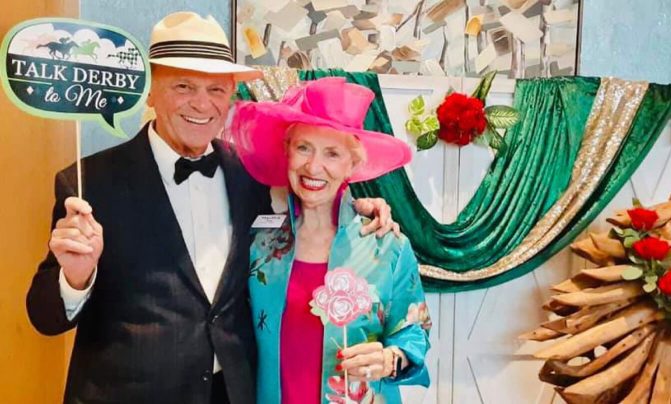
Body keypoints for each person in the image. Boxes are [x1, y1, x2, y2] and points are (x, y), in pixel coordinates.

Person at [26, 12, 396, 404]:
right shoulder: (89, 183)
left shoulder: (250, 174)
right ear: (151, 91)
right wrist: (76, 277)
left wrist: (358, 206)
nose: (202, 104)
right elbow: (45, 317)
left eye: (217, 90)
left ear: (231, 96)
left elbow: (310, 201)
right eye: (184, 86)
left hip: (231, 394)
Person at [228, 77, 432, 404]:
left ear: (353, 164)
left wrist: (391, 358)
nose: (314, 166)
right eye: (303, 148)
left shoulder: (386, 245)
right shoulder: (259, 242)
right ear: (287, 153)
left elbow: (415, 332)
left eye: (332, 153)